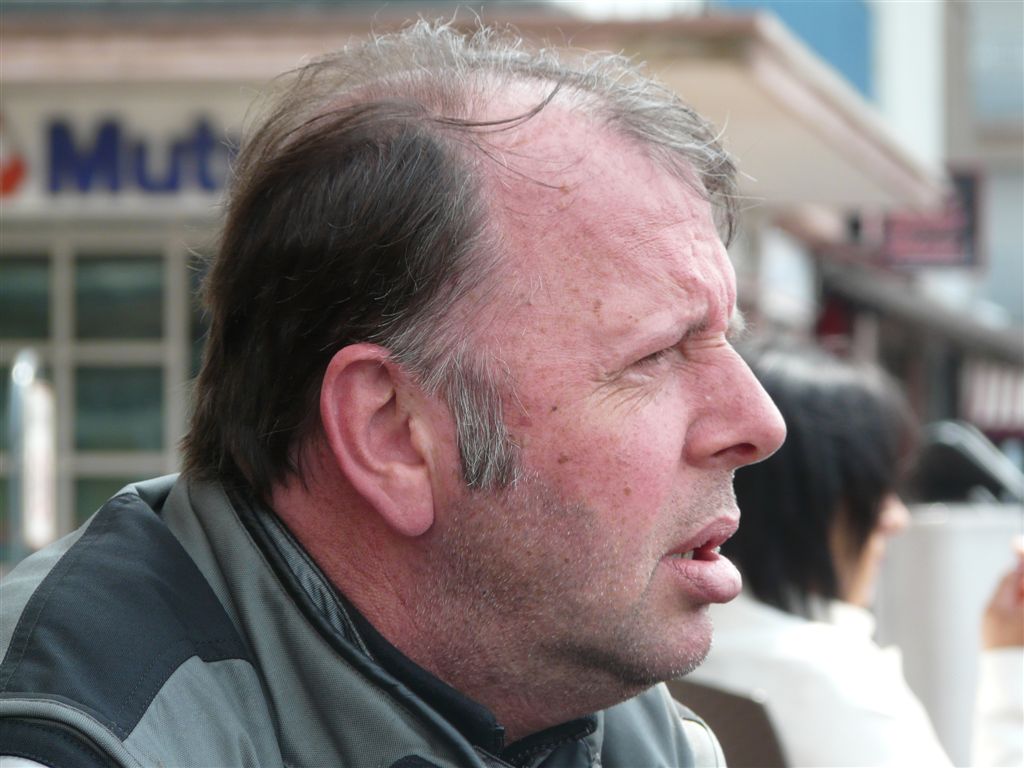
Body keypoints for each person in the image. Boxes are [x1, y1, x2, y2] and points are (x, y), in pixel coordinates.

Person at [0, 21, 787, 768]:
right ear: (391, 431)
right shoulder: (84, 735)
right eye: (655, 354)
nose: (760, 422)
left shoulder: (607, 711)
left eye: (726, 340)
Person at [687, 342, 1024, 767]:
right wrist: (1009, 661)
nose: (896, 518)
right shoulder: (833, 682)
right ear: (809, 500)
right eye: (876, 490)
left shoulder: (676, 646)